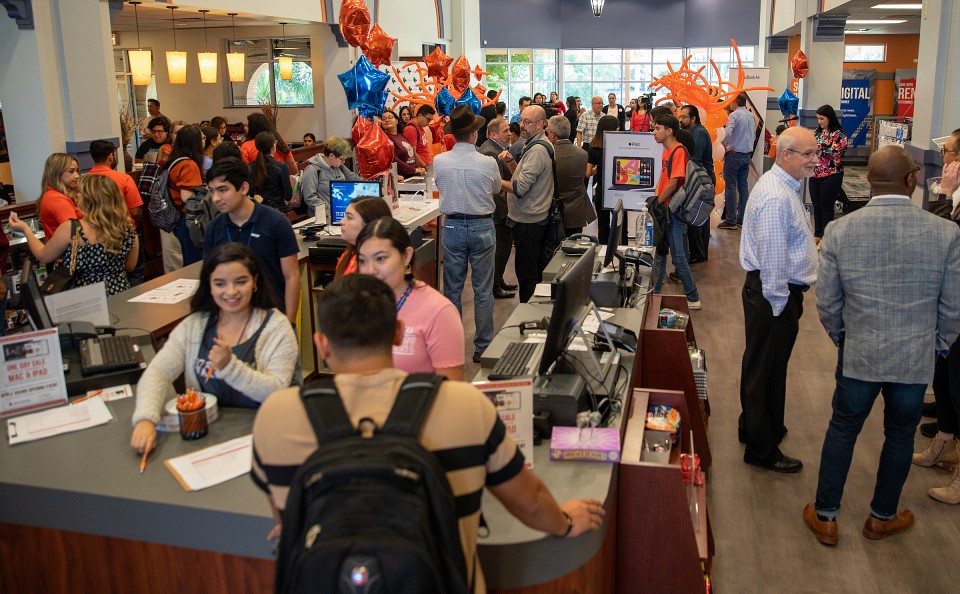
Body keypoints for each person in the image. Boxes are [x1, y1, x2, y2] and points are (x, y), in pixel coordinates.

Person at [250, 274, 605, 592]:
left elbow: (286, 517)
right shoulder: (466, 405)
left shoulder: (275, 417)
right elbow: (528, 502)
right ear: (398, 332)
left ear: (322, 345)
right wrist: (567, 520)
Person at [803, 145, 960, 545]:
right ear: (911, 180)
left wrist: (844, 337)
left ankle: (825, 516)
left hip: (858, 352)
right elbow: (953, 307)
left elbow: (827, 303)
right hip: (914, 358)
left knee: (842, 428)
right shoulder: (946, 233)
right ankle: (882, 517)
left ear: (870, 181)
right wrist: (936, 345)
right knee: (901, 435)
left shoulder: (840, 230)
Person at [130, 243, 298, 457]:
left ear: (255, 282)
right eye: (220, 283)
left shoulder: (276, 328)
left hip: (264, 437)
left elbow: (277, 391)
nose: (231, 292)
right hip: (207, 439)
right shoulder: (194, 326)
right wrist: (145, 419)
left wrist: (230, 368)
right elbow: (157, 373)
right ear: (209, 286)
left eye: (241, 281)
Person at [737, 126, 819, 473]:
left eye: (815, 153)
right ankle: (762, 448)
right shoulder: (775, 196)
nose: (815, 161)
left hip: (774, 295)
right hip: (774, 295)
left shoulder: (784, 187)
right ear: (786, 154)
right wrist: (780, 304)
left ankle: (758, 426)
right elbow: (772, 262)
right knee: (767, 369)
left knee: (763, 366)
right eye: (809, 154)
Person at [356, 217, 465, 379]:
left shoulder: (439, 312)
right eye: (363, 261)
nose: (370, 270)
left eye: (380, 258)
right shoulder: (359, 305)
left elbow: (451, 390)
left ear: (406, 256)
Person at [433, 106, 500, 364]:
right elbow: (495, 188)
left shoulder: (440, 161)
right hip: (482, 225)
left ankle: (451, 344)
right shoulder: (488, 162)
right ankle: (482, 347)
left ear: (454, 135)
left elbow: (440, 186)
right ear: (474, 134)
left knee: (452, 290)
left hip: (451, 227)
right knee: (483, 290)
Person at [203, 157, 301, 325]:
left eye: (222, 190)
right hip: (232, 320)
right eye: (212, 191)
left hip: (272, 317)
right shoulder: (214, 228)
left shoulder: (276, 222)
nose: (216, 198)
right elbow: (209, 276)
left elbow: (291, 276)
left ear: (243, 188)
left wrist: (289, 323)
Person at [9, 174, 138, 295]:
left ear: (88, 199)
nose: (76, 195)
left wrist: (25, 229)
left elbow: (43, 256)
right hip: (119, 291)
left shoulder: (72, 229)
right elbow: (130, 266)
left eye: (79, 192)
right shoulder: (127, 228)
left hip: (84, 297)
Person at [498, 105, 554, 303]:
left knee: (527, 274)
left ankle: (528, 315)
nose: (521, 125)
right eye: (521, 120)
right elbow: (520, 177)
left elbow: (520, 188)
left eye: (527, 122)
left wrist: (493, 181)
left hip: (529, 221)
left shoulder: (537, 150)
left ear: (540, 124)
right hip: (529, 217)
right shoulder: (531, 145)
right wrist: (512, 162)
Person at [651, 114, 701, 309]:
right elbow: (665, 179)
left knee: (678, 256)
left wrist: (657, 201)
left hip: (674, 211)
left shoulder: (678, 151)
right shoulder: (667, 151)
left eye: (658, 129)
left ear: (669, 131)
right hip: (665, 208)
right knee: (661, 252)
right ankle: (654, 294)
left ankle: (693, 297)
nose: (654, 132)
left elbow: (673, 183)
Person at [479, 116, 518, 300]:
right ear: (494, 134)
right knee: (499, 250)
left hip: (500, 210)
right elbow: (496, 188)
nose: (510, 133)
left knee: (502, 250)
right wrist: (507, 210)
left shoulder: (498, 149)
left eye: (509, 130)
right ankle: (495, 285)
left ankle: (499, 280)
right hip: (498, 212)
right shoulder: (490, 153)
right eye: (505, 131)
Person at [164, 124, 205, 268]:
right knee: (193, 265)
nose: (204, 141)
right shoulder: (188, 164)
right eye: (202, 138)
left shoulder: (176, 160)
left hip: (177, 219)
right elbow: (187, 198)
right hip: (187, 220)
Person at [547, 115, 596, 237]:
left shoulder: (548, 155)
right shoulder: (583, 154)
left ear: (552, 134)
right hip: (577, 211)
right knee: (574, 248)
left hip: (553, 211)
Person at [679, 105, 714, 263]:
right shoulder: (694, 132)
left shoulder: (699, 133)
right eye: (680, 117)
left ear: (693, 118)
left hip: (702, 179)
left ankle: (698, 254)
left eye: (684, 117)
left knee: (697, 218)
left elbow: (695, 158)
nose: (681, 120)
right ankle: (699, 253)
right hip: (701, 177)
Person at [809, 104, 848, 243]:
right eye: (818, 119)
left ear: (829, 118)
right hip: (815, 174)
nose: (819, 122)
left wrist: (819, 150)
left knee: (826, 206)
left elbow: (836, 153)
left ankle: (827, 237)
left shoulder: (839, 134)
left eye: (822, 119)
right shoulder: (817, 132)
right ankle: (817, 234)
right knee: (816, 205)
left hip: (832, 175)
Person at [301, 136, 362, 221]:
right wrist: (333, 209)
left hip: (340, 214)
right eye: (342, 159)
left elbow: (353, 178)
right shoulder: (312, 170)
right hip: (321, 218)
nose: (343, 162)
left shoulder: (338, 165)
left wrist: (373, 185)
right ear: (332, 155)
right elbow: (310, 198)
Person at [334, 196, 394, 278]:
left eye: (349, 217)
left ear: (369, 224)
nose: (341, 221)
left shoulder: (379, 269)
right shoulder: (349, 253)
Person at [719, 94, 755, 229]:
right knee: (743, 187)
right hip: (746, 154)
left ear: (735, 102)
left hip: (734, 155)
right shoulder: (751, 116)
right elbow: (754, 135)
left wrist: (724, 146)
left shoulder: (734, 116)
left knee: (731, 187)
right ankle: (742, 219)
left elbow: (727, 133)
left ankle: (731, 220)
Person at [586, 115, 621, 244]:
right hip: (619, 190)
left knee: (603, 226)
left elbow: (588, 172)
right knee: (620, 225)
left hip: (602, 191)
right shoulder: (620, 146)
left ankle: (603, 254)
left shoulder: (593, 147)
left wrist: (599, 168)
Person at [36, 153, 81, 238]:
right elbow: (75, 234)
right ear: (57, 173)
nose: (77, 175)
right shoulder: (57, 199)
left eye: (77, 171)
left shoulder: (55, 195)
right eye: (71, 171)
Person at [248, 132, 292, 211]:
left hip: (256, 210)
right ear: (273, 146)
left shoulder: (249, 167)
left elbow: (249, 193)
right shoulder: (281, 167)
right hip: (277, 211)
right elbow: (288, 195)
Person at [380, 109, 425, 179]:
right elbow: (394, 159)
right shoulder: (385, 138)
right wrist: (413, 170)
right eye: (384, 119)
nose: (387, 120)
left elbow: (412, 152)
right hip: (401, 179)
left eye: (390, 117)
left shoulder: (401, 135)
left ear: (397, 121)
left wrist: (418, 167)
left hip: (412, 176)